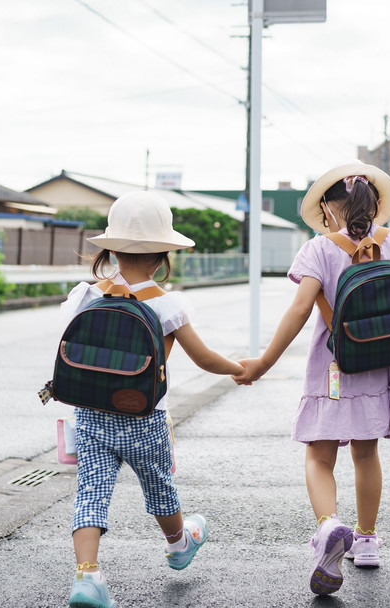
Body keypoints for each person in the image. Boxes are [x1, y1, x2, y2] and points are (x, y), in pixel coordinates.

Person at [236, 160, 390, 596]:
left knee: (319, 457)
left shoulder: (318, 249)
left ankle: (329, 525)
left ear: (328, 209)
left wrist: (264, 363)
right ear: (377, 205)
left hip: (334, 366)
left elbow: (299, 311)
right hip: (378, 366)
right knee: (366, 455)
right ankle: (365, 541)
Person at [61, 191, 246, 608]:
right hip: (144, 418)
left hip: (91, 417)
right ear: (164, 254)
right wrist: (239, 368)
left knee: (90, 494)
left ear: (109, 249)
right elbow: (203, 358)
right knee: (160, 488)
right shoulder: (167, 304)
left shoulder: (85, 296)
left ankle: (87, 576)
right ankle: (179, 543)